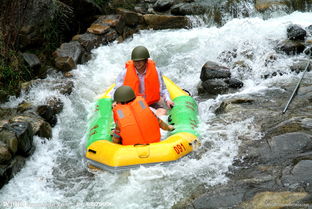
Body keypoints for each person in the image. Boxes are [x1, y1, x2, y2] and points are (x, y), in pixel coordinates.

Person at [113, 45, 174, 116]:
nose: (137, 63)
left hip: (151, 103)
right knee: (127, 115)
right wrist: (116, 101)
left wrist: (168, 100)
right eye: (135, 61)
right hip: (132, 104)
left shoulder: (156, 71)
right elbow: (117, 89)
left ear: (146, 60)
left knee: (162, 112)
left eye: (140, 61)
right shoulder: (125, 73)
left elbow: (163, 89)